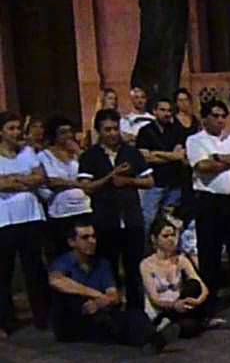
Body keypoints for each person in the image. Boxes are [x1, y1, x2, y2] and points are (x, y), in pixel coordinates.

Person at [47, 218, 177, 350]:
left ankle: (153, 339)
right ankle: (153, 337)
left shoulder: (101, 263)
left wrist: (100, 301)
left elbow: (113, 295)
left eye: (93, 237)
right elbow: (57, 281)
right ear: (72, 242)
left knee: (131, 315)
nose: (91, 241)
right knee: (110, 323)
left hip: (97, 312)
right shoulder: (64, 262)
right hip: (73, 319)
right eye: (85, 238)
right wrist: (97, 294)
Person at [79, 108, 154, 310]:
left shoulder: (131, 152)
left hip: (132, 220)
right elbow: (86, 187)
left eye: (115, 128)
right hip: (106, 220)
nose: (112, 133)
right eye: (107, 129)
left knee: (133, 269)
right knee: (108, 268)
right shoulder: (90, 156)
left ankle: (137, 312)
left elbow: (149, 181)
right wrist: (110, 177)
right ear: (98, 131)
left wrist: (128, 180)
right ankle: (112, 311)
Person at [186, 100, 230, 310]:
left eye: (223, 116)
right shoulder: (195, 140)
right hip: (209, 201)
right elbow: (202, 166)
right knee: (209, 251)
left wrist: (220, 158)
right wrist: (229, 161)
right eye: (215, 116)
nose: (220, 120)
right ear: (205, 118)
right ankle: (210, 298)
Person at [0, 110, 49, 336]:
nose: (16, 132)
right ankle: (6, 319)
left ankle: (42, 315)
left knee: (35, 268)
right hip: (5, 220)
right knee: (5, 270)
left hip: (31, 217)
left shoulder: (29, 152)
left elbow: (40, 177)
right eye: (11, 128)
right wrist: (23, 181)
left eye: (18, 128)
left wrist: (15, 180)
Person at [140, 216, 213, 338]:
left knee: (193, 285)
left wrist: (197, 300)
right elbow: (155, 299)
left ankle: (184, 322)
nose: (171, 240)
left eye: (173, 235)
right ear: (154, 239)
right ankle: (169, 325)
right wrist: (174, 305)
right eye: (165, 236)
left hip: (183, 303)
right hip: (165, 308)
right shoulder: (146, 264)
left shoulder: (181, 260)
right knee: (189, 325)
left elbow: (202, 287)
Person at [37, 116, 97, 260]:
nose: (68, 136)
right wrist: (76, 184)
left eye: (70, 131)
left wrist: (79, 153)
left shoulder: (77, 155)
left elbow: (90, 173)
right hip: (61, 212)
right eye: (63, 132)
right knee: (62, 252)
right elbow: (51, 181)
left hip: (83, 208)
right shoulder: (44, 156)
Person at [136, 97, 188, 229]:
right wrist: (171, 155)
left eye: (169, 110)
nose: (167, 113)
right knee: (148, 219)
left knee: (170, 221)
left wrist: (156, 153)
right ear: (154, 111)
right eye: (162, 110)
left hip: (174, 183)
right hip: (154, 183)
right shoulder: (145, 131)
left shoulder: (176, 129)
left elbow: (180, 155)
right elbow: (145, 158)